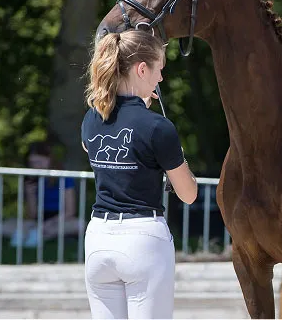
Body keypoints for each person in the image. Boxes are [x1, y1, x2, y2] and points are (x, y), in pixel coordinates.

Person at [80, 29, 198, 319]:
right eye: (159, 70)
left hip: (98, 239)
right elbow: (188, 194)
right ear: (142, 69)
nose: (161, 79)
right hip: (142, 240)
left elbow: (90, 147)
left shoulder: (91, 117)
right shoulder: (158, 128)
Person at [0, 141, 82, 248]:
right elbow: (31, 215)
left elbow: (70, 211)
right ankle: (38, 234)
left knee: (79, 224)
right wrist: (30, 195)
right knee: (2, 227)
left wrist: (49, 223)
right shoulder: (31, 180)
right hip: (38, 220)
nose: (36, 166)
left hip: (60, 218)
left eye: (39, 162)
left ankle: (39, 235)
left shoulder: (63, 177)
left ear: (49, 159)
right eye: (32, 163)